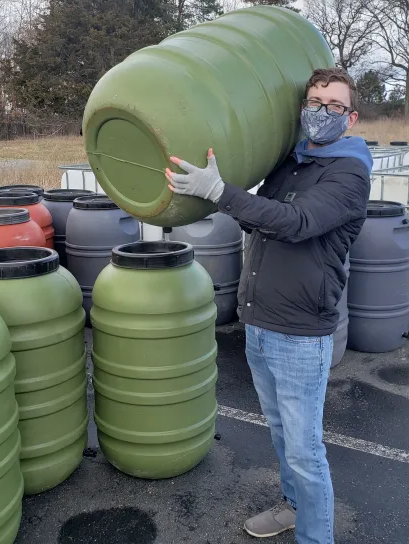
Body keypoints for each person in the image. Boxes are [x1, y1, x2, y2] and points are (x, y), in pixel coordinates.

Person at [165, 67, 372, 544]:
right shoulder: (291, 162)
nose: (321, 112)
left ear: (352, 118)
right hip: (258, 321)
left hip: (301, 333)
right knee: (281, 434)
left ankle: (314, 536)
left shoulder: (349, 173)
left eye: (334, 106)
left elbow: (297, 222)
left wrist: (220, 193)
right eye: (314, 102)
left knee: (304, 450)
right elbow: (258, 221)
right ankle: (293, 506)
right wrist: (226, 191)